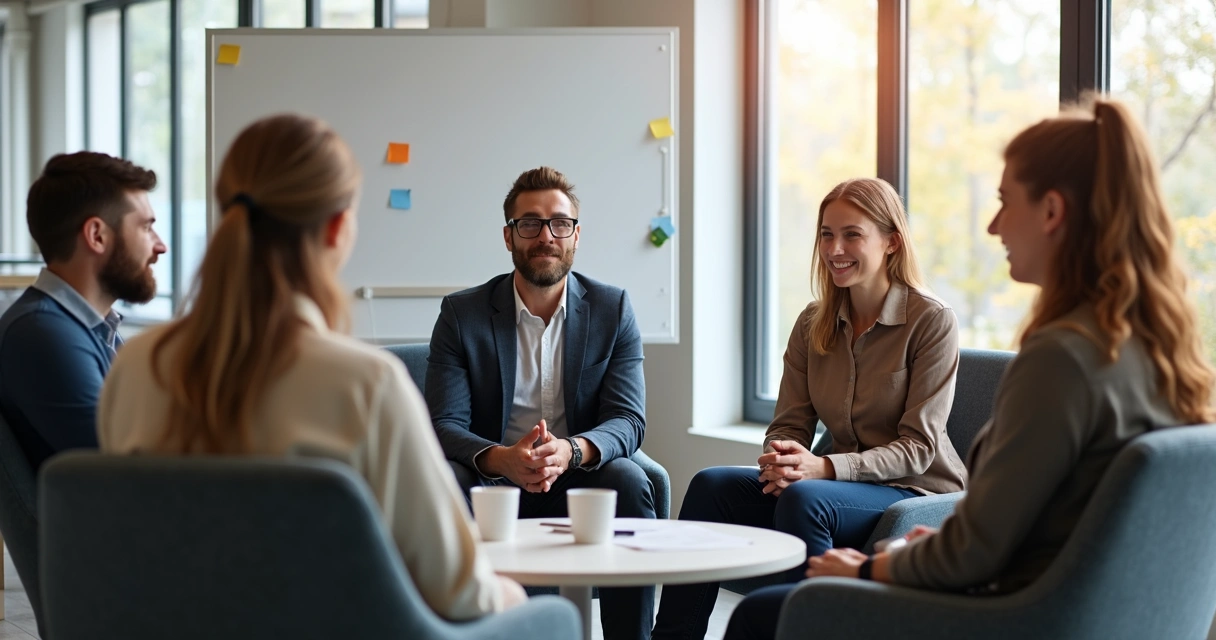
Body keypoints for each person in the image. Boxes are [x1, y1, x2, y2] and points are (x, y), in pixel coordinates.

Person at [725, 97, 1216, 640]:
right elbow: (1021, 534)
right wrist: (923, 552)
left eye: (1006, 201)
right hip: (1084, 613)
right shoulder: (1158, 351)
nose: (992, 225)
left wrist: (869, 568)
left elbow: (974, 551)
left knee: (762, 615)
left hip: (1011, 617)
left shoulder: (1060, 360)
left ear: (1052, 212)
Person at [98, 114, 526, 621]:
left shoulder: (135, 368)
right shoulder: (365, 386)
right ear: (337, 228)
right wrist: (515, 598)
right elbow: (458, 592)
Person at [652, 177, 966, 640]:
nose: (835, 248)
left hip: (915, 490)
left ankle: (803, 629)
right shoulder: (812, 323)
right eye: (826, 234)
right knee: (711, 485)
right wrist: (784, 459)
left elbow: (918, 448)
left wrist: (823, 468)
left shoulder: (931, 321)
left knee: (805, 498)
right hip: (834, 485)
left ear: (892, 242)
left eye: (852, 234)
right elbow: (789, 423)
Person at [426, 166, 653, 639]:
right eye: (529, 223)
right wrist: (501, 458)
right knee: (445, 477)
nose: (545, 235)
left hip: (579, 474)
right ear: (508, 237)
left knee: (630, 479)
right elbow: (444, 422)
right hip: (492, 481)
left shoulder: (613, 309)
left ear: (576, 235)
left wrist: (572, 450)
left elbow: (628, 419)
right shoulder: (461, 314)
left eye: (559, 223)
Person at [0, 152, 167, 471]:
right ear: (97, 236)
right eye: (147, 228)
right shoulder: (42, 333)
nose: (160, 246)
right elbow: (130, 468)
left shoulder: (88, 328)